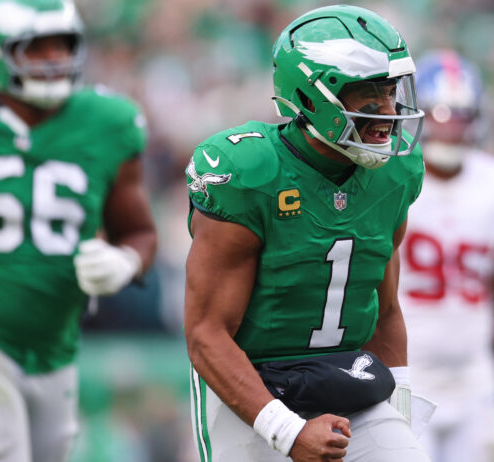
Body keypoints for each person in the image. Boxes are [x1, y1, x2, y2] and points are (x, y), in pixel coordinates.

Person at [183, 5, 431, 461]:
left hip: (345, 377)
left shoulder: (395, 173)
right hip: (250, 386)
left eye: (392, 94)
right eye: (369, 100)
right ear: (312, 98)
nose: (390, 114)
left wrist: (401, 408)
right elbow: (206, 333)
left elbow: (386, 308)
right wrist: (287, 431)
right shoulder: (250, 173)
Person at [0, 0, 157, 461]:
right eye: (36, 48)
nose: (54, 59)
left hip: (58, 346)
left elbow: (139, 231)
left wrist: (124, 262)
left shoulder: (107, 123)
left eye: (62, 45)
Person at [398, 50, 494, 462]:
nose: (450, 129)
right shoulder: (393, 178)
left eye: (461, 115)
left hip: (474, 378)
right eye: (440, 115)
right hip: (407, 377)